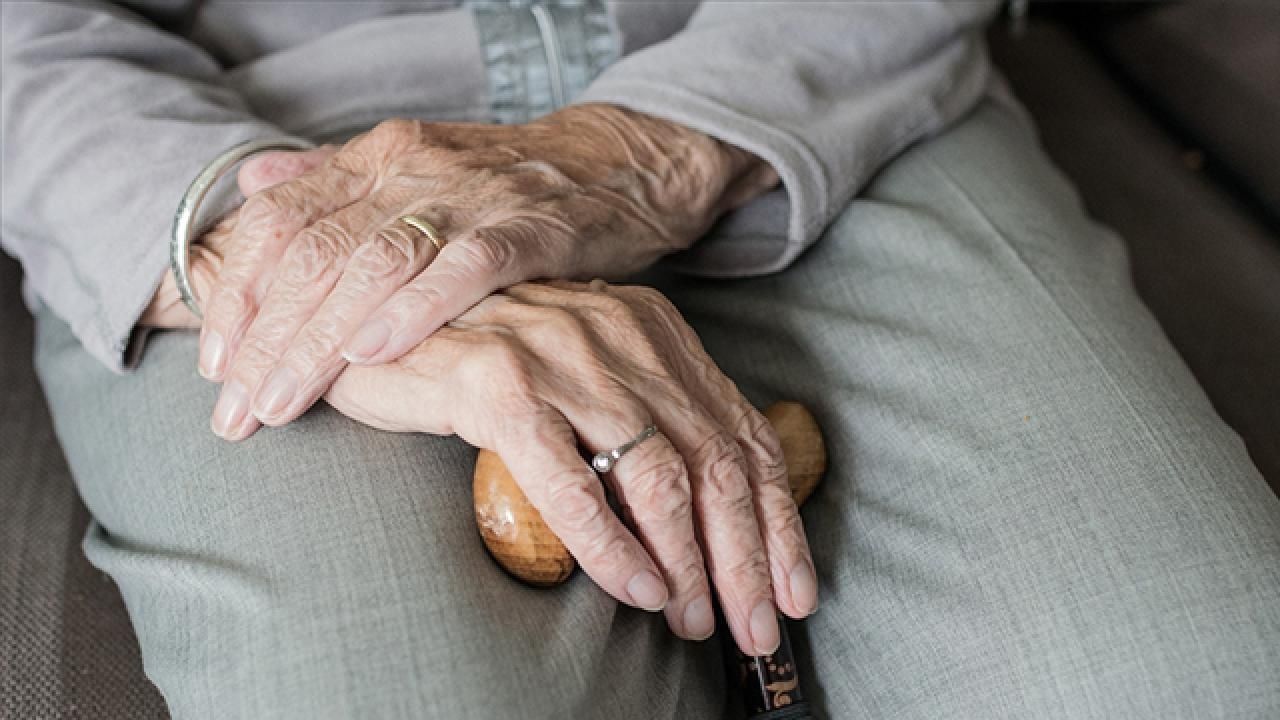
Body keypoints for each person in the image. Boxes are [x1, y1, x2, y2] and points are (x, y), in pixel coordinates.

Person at [3, 2, 1278, 718]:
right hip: (240, 148)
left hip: (810, 74)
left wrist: (641, 149)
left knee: (1187, 677)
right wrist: (272, 253)